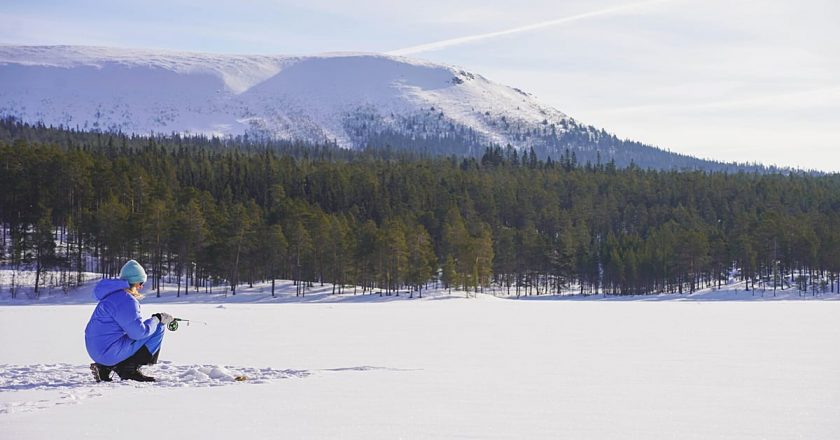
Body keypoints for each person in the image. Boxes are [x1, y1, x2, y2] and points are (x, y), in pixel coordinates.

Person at [85, 259, 174, 382]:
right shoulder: (126, 300)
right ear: (135, 282)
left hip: (96, 350)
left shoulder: (112, 296)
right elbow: (138, 333)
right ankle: (129, 370)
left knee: (133, 333)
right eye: (141, 282)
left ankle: (105, 367)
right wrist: (157, 319)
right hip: (107, 353)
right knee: (158, 328)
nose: (142, 286)